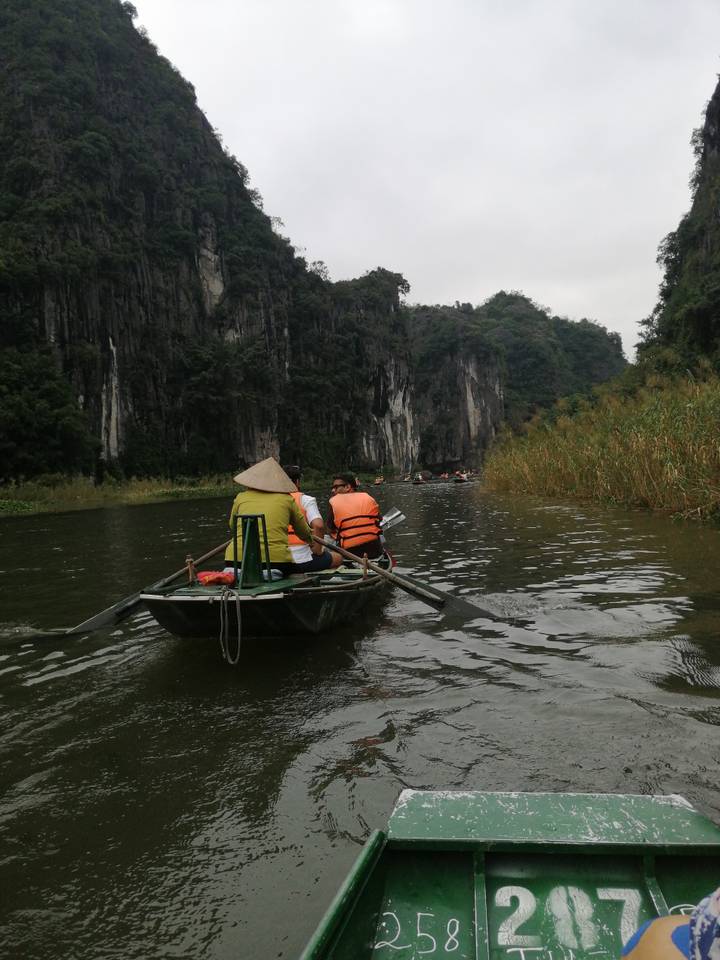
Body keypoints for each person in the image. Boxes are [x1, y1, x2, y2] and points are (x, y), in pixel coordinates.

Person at [224, 457, 312, 577]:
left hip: (235, 559)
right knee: (302, 575)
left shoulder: (240, 497)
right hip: (275, 562)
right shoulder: (286, 499)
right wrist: (311, 541)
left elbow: (233, 527)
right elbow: (303, 532)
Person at [283, 465, 343, 572]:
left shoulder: (271, 502)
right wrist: (318, 550)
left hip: (278, 560)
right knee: (338, 558)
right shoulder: (305, 500)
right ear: (297, 482)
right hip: (302, 560)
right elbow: (318, 526)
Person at [327, 472, 383, 559]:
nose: (333, 490)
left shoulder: (334, 502)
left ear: (348, 487)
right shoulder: (368, 498)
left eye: (336, 487)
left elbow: (331, 529)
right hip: (374, 549)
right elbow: (379, 520)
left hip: (350, 553)